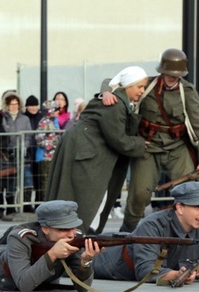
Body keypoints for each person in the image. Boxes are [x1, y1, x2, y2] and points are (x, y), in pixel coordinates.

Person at [102, 49, 199, 232]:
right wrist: (106, 93)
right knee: (139, 194)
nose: (172, 77)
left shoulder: (187, 91)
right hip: (148, 147)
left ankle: (191, 234)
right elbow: (111, 81)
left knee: (189, 192)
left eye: (176, 74)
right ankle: (127, 232)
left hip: (177, 147)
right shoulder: (147, 85)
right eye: (168, 73)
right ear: (162, 70)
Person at [46, 66, 149, 233]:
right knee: (91, 199)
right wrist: (140, 144)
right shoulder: (115, 105)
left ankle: (83, 234)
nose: (142, 91)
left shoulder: (118, 99)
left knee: (93, 198)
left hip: (85, 150)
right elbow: (119, 140)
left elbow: (109, 81)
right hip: (86, 154)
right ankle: (81, 235)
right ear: (128, 86)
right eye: (139, 87)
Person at [93, 182, 199, 284]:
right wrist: (177, 275)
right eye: (197, 207)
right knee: (74, 259)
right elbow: (145, 270)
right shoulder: (154, 225)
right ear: (180, 208)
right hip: (107, 259)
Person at [0, 201, 101, 292]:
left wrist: (85, 261)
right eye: (63, 229)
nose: (71, 234)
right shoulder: (22, 237)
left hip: (40, 284)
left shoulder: (75, 237)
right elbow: (24, 285)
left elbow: (83, 288)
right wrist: (52, 255)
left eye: (74, 227)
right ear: (45, 228)